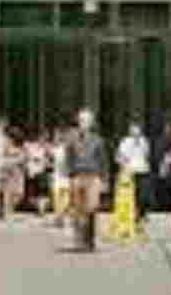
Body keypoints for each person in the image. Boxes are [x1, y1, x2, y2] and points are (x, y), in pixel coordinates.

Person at [65, 108, 108, 252]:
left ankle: (89, 239)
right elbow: (68, 158)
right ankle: (79, 240)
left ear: (91, 123)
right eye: (81, 120)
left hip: (93, 176)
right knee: (77, 209)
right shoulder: (71, 140)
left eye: (86, 121)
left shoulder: (98, 141)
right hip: (77, 176)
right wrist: (71, 176)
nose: (83, 123)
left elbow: (103, 161)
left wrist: (104, 180)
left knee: (91, 207)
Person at [116, 122, 151, 228]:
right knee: (132, 196)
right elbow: (119, 157)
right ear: (130, 131)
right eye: (133, 130)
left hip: (143, 171)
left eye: (137, 130)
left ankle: (142, 213)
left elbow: (146, 155)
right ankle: (135, 216)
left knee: (144, 195)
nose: (136, 133)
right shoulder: (125, 142)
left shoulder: (144, 141)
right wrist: (123, 167)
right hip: (130, 172)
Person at [24, 131, 50, 216]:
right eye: (42, 138)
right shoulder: (30, 146)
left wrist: (45, 160)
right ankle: (38, 208)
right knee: (33, 193)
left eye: (45, 139)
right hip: (32, 172)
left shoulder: (46, 147)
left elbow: (49, 158)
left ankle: (41, 210)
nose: (43, 140)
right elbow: (27, 157)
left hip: (41, 171)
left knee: (42, 192)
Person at [51, 127, 71, 227]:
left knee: (65, 199)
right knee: (58, 198)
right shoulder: (56, 149)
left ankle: (59, 216)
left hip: (66, 177)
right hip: (58, 176)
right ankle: (59, 217)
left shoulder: (68, 150)